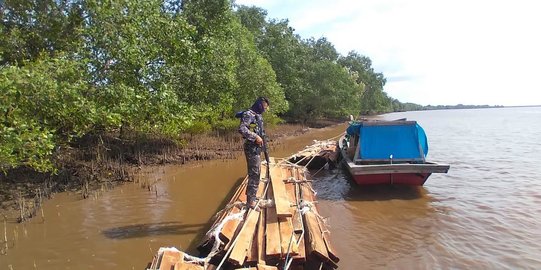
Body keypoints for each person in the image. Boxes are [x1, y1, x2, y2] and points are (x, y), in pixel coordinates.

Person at [238, 97, 270, 209]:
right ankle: (250, 201)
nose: (265, 109)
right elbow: (242, 129)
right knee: (254, 174)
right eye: (264, 106)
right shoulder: (249, 114)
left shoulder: (258, 115)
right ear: (260, 105)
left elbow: (261, 130)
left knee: (257, 173)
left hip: (257, 147)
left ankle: (253, 197)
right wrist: (255, 136)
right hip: (251, 147)